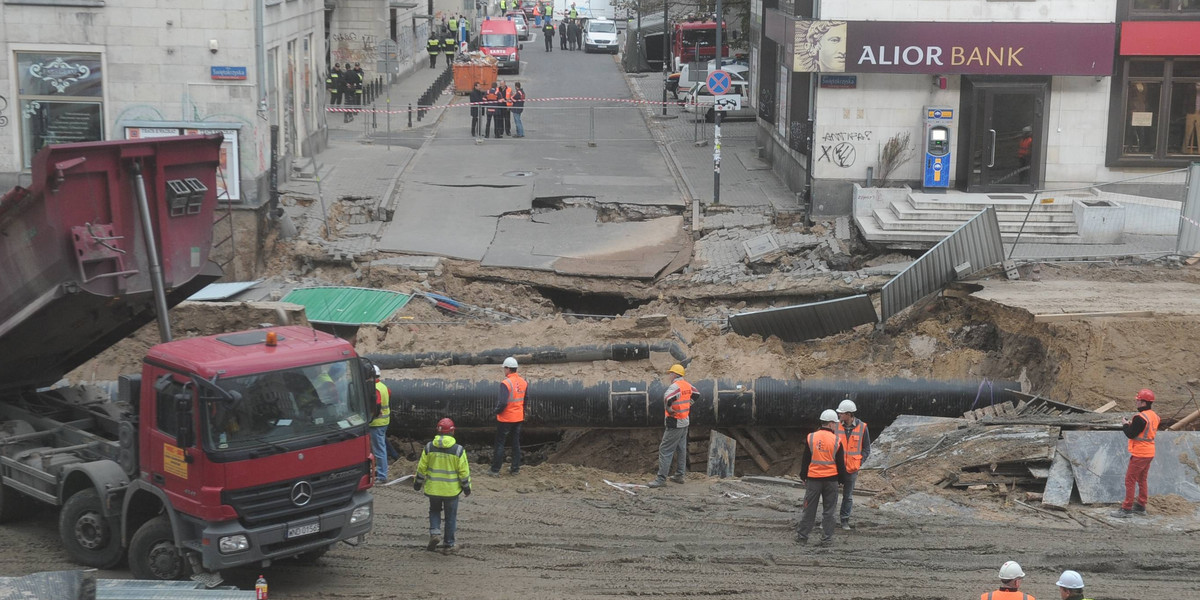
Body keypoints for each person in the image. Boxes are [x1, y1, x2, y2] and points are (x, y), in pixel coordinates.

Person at [414, 418, 471, 554]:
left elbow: (422, 468)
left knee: (434, 511)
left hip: (433, 489)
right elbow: (463, 472)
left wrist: (417, 483)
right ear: (452, 432)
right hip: (451, 491)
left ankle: (435, 533)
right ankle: (449, 544)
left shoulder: (429, 447)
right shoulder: (458, 450)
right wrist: (466, 487)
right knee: (450, 516)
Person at [795, 409, 846, 545]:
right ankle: (827, 539)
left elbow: (806, 459)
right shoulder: (837, 440)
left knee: (809, 510)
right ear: (830, 424)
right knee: (829, 511)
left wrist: (803, 476)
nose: (836, 426)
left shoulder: (811, 437)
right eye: (835, 424)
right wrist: (842, 480)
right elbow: (840, 463)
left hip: (813, 480)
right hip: (831, 481)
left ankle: (802, 537)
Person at [1114, 388, 1159, 517]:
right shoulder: (1154, 416)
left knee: (1130, 480)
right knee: (1142, 479)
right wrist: (1131, 425)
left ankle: (1126, 508)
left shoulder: (1140, 418)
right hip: (1149, 451)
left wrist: (1125, 425)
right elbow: (1144, 430)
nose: (1137, 402)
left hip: (1140, 453)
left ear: (1144, 402)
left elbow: (1131, 434)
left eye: (1138, 400)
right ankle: (1141, 505)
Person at [647, 364, 693, 488]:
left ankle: (661, 479)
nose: (669, 376)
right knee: (681, 448)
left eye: (670, 374)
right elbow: (697, 394)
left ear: (674, 375)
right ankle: (679, 475)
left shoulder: (675, 386)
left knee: (665, 449)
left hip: (675, 421)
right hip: (684, 421)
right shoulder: (687, 385)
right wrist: (688, 406)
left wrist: (669, 408)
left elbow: (667, 397)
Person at [835, 398, 870, 530]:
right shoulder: (836, 426)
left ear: (849, 414)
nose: (839, 415)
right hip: (836, 468)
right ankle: (828, 519)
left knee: (848, 496)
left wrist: (859, 461)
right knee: (831, 495)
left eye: (841, 413)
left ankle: (844, 520)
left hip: (851, 469)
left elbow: (866, 448)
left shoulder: (862, 427)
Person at [490, 357, 527, 475]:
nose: (504, 371)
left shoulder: (505, 383)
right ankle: (515, 469)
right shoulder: (523, 382)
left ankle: (495, 470)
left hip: (506, 418)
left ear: (508, 369)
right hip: (518, 417)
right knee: (516, 443)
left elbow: (503, 402)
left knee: (500, 443)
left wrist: (496, 411)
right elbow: (526, 399)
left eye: (504, 368)